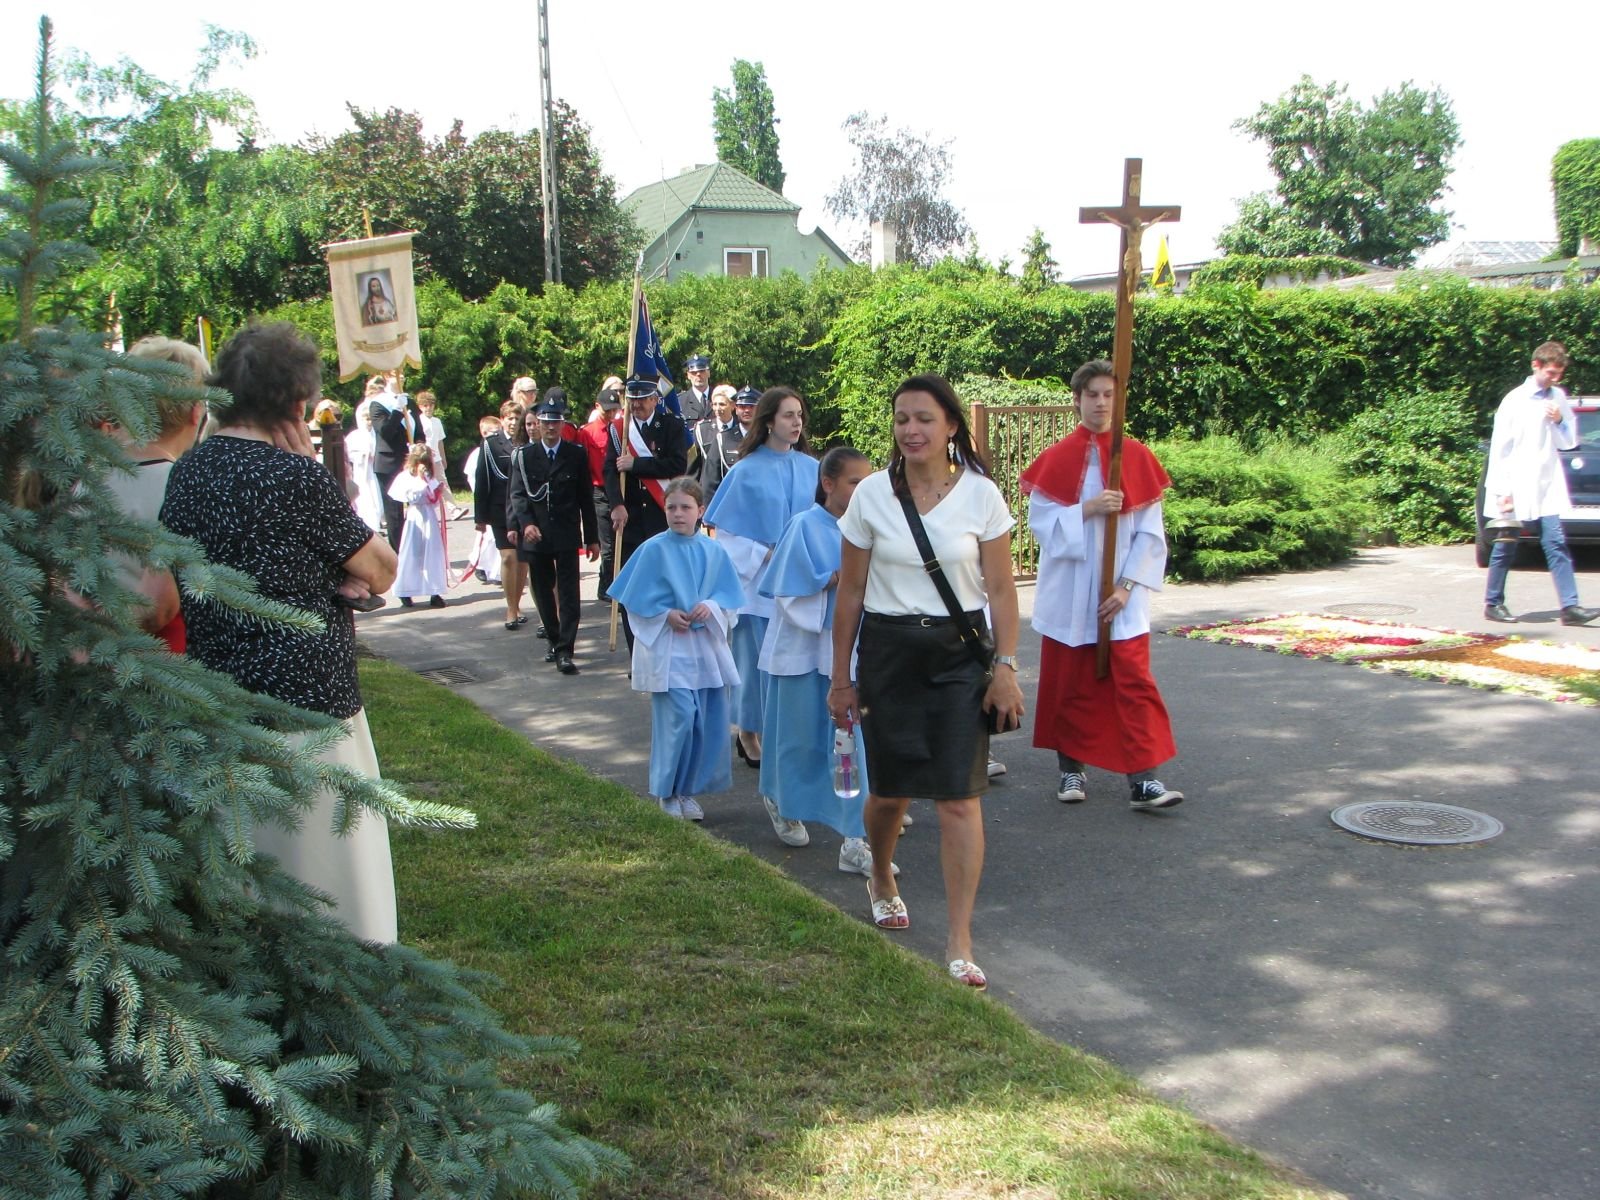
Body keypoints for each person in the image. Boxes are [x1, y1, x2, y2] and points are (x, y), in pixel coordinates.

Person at [160, 321, 400, 943]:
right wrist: (317, 482)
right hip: (309, 707)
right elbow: (380, 569)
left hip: (221, 701)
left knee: (252, 874)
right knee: (332, 877)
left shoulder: (186, 473)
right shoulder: (296, 475)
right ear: (297, 403)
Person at [828, 372, 1024, 992]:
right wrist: (841, 678)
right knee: (890, 795)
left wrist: (1006, 667)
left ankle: (960, 940)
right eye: (902, 419)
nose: (911, 430)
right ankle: (881, 873)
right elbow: (850, 593)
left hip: (959, 656)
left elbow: (1001, 591)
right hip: (888, 655)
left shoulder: (982, 496)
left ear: (952, 427)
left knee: (960, 799)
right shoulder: (871, 497)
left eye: (924, 419)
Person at [1022, 359, 1184, 811]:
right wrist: (1088, 508)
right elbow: (1042, 527)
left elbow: (1151, 534)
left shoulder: (1136, 456)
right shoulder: (1057, 458)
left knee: (1133, 684)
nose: (1101, 403)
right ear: (1077, 400)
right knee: (1070, 685)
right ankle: (1070, 769)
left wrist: (1126, 588)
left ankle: (1144, 779)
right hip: (1070, 597)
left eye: (1109, 394)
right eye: (1092, 394)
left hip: (1121, 598)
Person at [758, 446, 899, 876]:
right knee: (796, 741)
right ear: (827, 484)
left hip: (852, 652)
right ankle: (782, 801)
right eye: (855, 482)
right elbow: (787, 595)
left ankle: (854, 839)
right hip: (804, 653)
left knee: (849, 746)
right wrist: (830, 581)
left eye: (867, 481)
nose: (863, 489)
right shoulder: (803, 526)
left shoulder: (870, 527)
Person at [702, 386, 818, 845]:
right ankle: (757, 742)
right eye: (788, 415)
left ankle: (789, 762)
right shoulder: (746, 471)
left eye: (800, 415)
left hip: (802, 590)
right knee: (757, 675)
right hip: (759, 592)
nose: (796, 422)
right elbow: (725, 535)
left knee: (797, 681)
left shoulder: (812, 468)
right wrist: (765, 554)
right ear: (769, 421)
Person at [608, 476, 746, 820]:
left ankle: (686, 791)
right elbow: (634, 602)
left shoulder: (714, 551)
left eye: (686, 507)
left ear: (701, 510)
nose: (678, 514)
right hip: (669, 650)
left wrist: (710, 608)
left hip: (704, 650)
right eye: (671, 507)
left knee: (703, 723)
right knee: (679, 718)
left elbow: (730, 601)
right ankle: (666, 791)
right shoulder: (652, 550)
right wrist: (664, 614)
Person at [1483, 340, 1598, 626]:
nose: (1555, 379)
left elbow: (1568, 442)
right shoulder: (1515, 400)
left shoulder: (1557, 397)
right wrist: (1502, 491)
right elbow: (1500, 449)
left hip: (1546, 484)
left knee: (1556, 542)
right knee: (1506, 543)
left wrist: (1559, 420)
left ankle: (1570, 607)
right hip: (1515, 483)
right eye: (1550, 373)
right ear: (1536, 365)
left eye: (1559, 374)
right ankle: (1493, 603)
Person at [107, 336, 210, 652]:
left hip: (88, 654)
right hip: (169, 659)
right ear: (196, 413)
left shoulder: (88, 484)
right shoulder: (187, 488)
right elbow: (162, 604)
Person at [510, 395, 600, 675]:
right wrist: (525, 524)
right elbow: (518, 495)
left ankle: (565, 649)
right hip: (537, 534)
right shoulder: (525, 456)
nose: (550, 427)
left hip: (566, 532)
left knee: (569, 594)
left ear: (563, 424)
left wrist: (592, 537)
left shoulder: (576, 454)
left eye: (555, 422)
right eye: (545, 422)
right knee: (543, 591)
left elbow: (585, 497)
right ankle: (553, 637)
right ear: (537, 424)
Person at [604, 376, 689, 651]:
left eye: (642, 399)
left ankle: (667, 648)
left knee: (665, 586)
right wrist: (616, 504)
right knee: (633, 589)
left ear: (655, 399)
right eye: (633, 399)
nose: (637, 404)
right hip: (630, 521)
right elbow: (609, 471)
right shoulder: (619, 430)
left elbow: (677, 465)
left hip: (659, 519)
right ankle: (636, 652)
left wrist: (637, 464)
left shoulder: (671, 426)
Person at [473, 399, 528, 630]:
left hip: (523, 508)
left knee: (523, 559)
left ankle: (517, 604)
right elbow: (482, 478)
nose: (513, 422)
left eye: (517, 418)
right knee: (508, 557)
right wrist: (480, 517)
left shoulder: (527, 441)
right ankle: (510, 607)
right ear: (502, 419)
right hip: (499, 509)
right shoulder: (491, 444)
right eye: (509, 418)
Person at [368, 372, 425, 553]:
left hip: (410, 461)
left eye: (401, 374)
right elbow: (385, 432)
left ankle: (415, 550)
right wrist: (397, 411)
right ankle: (398, 553)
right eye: (394, 374)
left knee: (417, 506)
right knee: (394, 512)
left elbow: (419, 431)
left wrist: (419, 447)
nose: (400, 377)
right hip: (389, 462)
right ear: (386, 377)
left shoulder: (409, 401)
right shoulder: (378, 403)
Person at [388, 443, 448, 609]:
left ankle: (434, 591)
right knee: (412, 553)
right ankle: (405, 590)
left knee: (433, 552)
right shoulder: (406, 477)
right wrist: (421, 482)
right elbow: (411, 496)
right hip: (415, 516)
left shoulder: (429, 476)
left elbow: (433, 497)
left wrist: (435, 489)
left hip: (428, 516)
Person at [577, 384, 623, 599]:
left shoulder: (621, 430)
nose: (611, 414)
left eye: (615, 409)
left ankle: (616, 582)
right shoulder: (587, 432)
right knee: (608, 544)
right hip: (599, 491)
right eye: (607, 410)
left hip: (619, 489)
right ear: (597, 407)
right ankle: (606, 585)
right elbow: (582, 464)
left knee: (621, 540)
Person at [462, 414, 504, 586]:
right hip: (486, 500)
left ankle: (496, 571)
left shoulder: (500, 450)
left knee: (495, 538)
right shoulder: (478, 453)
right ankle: (479, 564)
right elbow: (475, 479)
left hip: (498, 500)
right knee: (488, 536)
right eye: (493, 433)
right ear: (484, 433)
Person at [347, 401, 384, 533]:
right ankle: (368, 524)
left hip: (374, 471)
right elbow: (349, 454)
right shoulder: (354, 436)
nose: (369, 422)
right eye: (366, 419)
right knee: (365, 497)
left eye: (370, 419)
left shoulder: (376, 434)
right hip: (362, 472)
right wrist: (362, 455)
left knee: (377, 497)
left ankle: (377, 522)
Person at [695, 384, 735, 499]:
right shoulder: (702, 429)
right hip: (708, 491)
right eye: (714, 404)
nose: (717, 408)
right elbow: (695, 466)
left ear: (733, 405)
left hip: (732, 490)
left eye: (722, 404)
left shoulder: (740, 429)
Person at [416, 390, 447, 475]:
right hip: (424, 459)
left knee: (442, 482)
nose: (428, 408)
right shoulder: (418, 421)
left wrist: (443, 459)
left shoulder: (437, 421)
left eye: (431, 405)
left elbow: (440, 441)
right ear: (420, 407)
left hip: (437, 459)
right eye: (425, 406)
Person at [679, 353, 713, 429]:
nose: (698, 375)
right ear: (688, 375)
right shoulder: (680, 402)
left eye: (702, 371)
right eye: (694, 373)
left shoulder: (720, 397)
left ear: (708, 373)